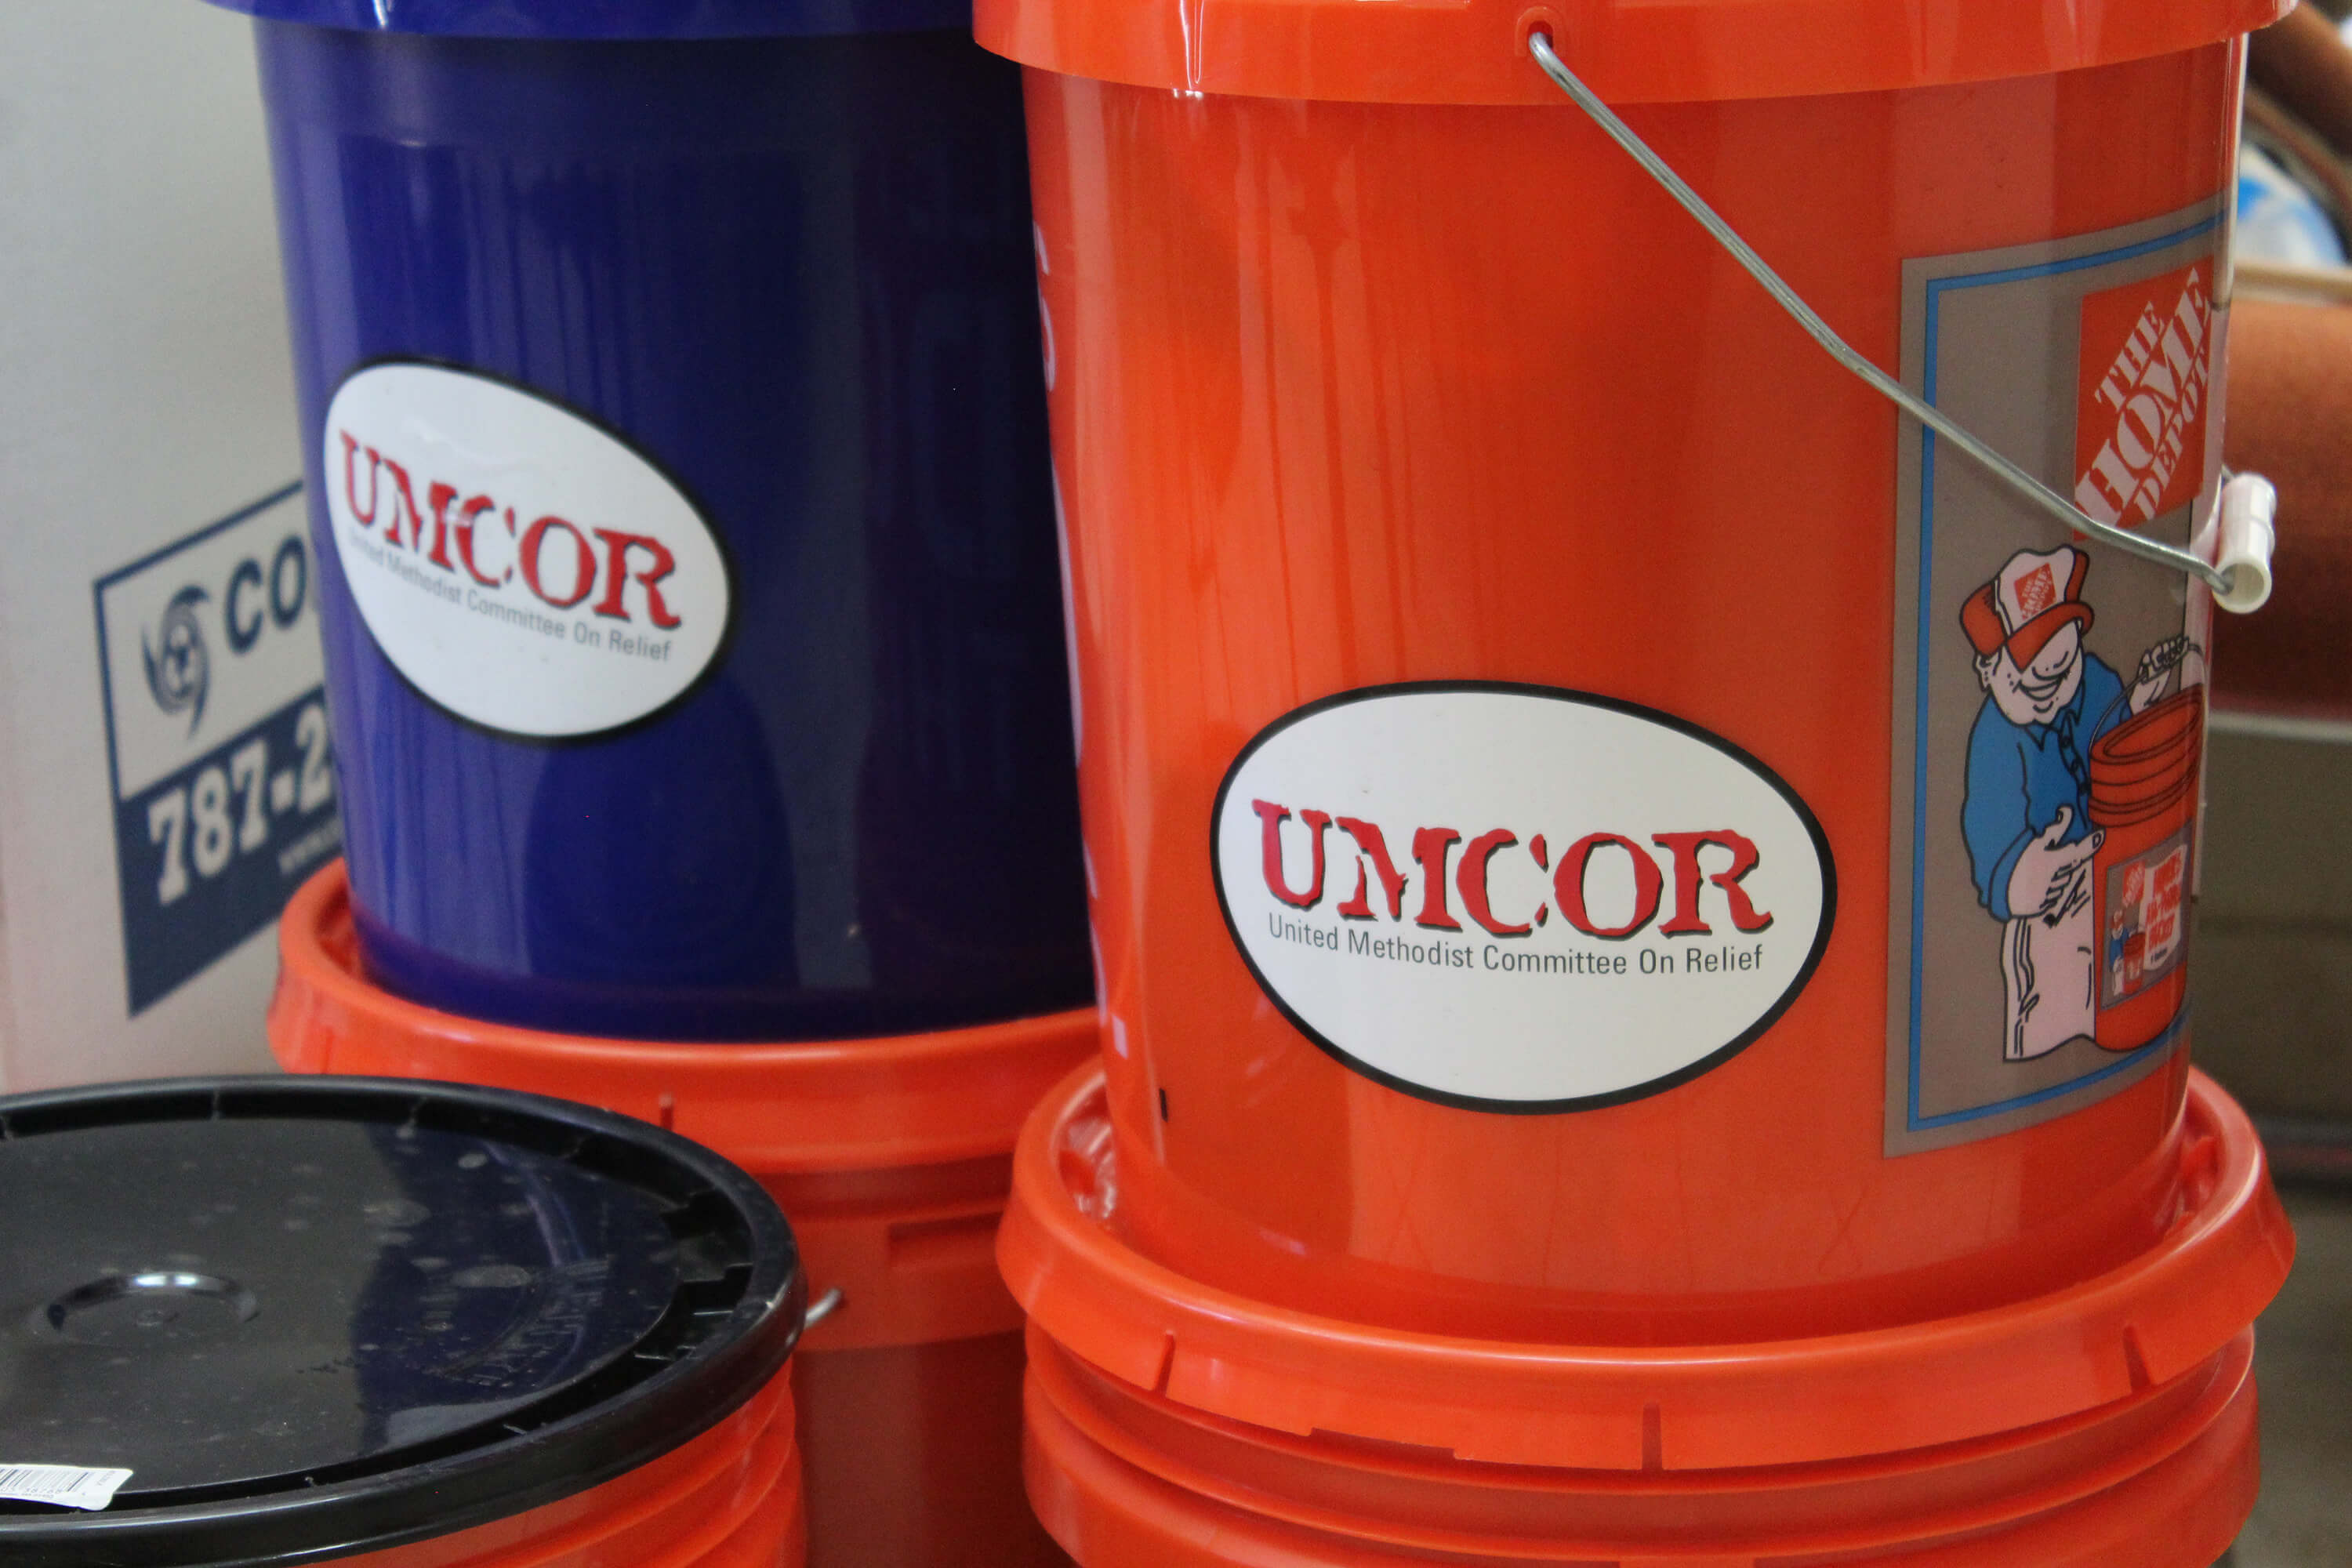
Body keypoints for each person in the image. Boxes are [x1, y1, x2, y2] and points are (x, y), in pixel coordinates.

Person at [1959, 546, 2190, 1060]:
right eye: (2035, 677)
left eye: (2063, 669)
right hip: (2046, 917)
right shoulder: (1995, 739)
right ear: (1990, 671)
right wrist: (2026, 877)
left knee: (2121, 1008)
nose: (2055, 686)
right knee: (2049, 1028)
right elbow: (1990, 839)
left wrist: (2141, 698)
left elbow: (2113, 747)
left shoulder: (2095, 681)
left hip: (2113, 886)